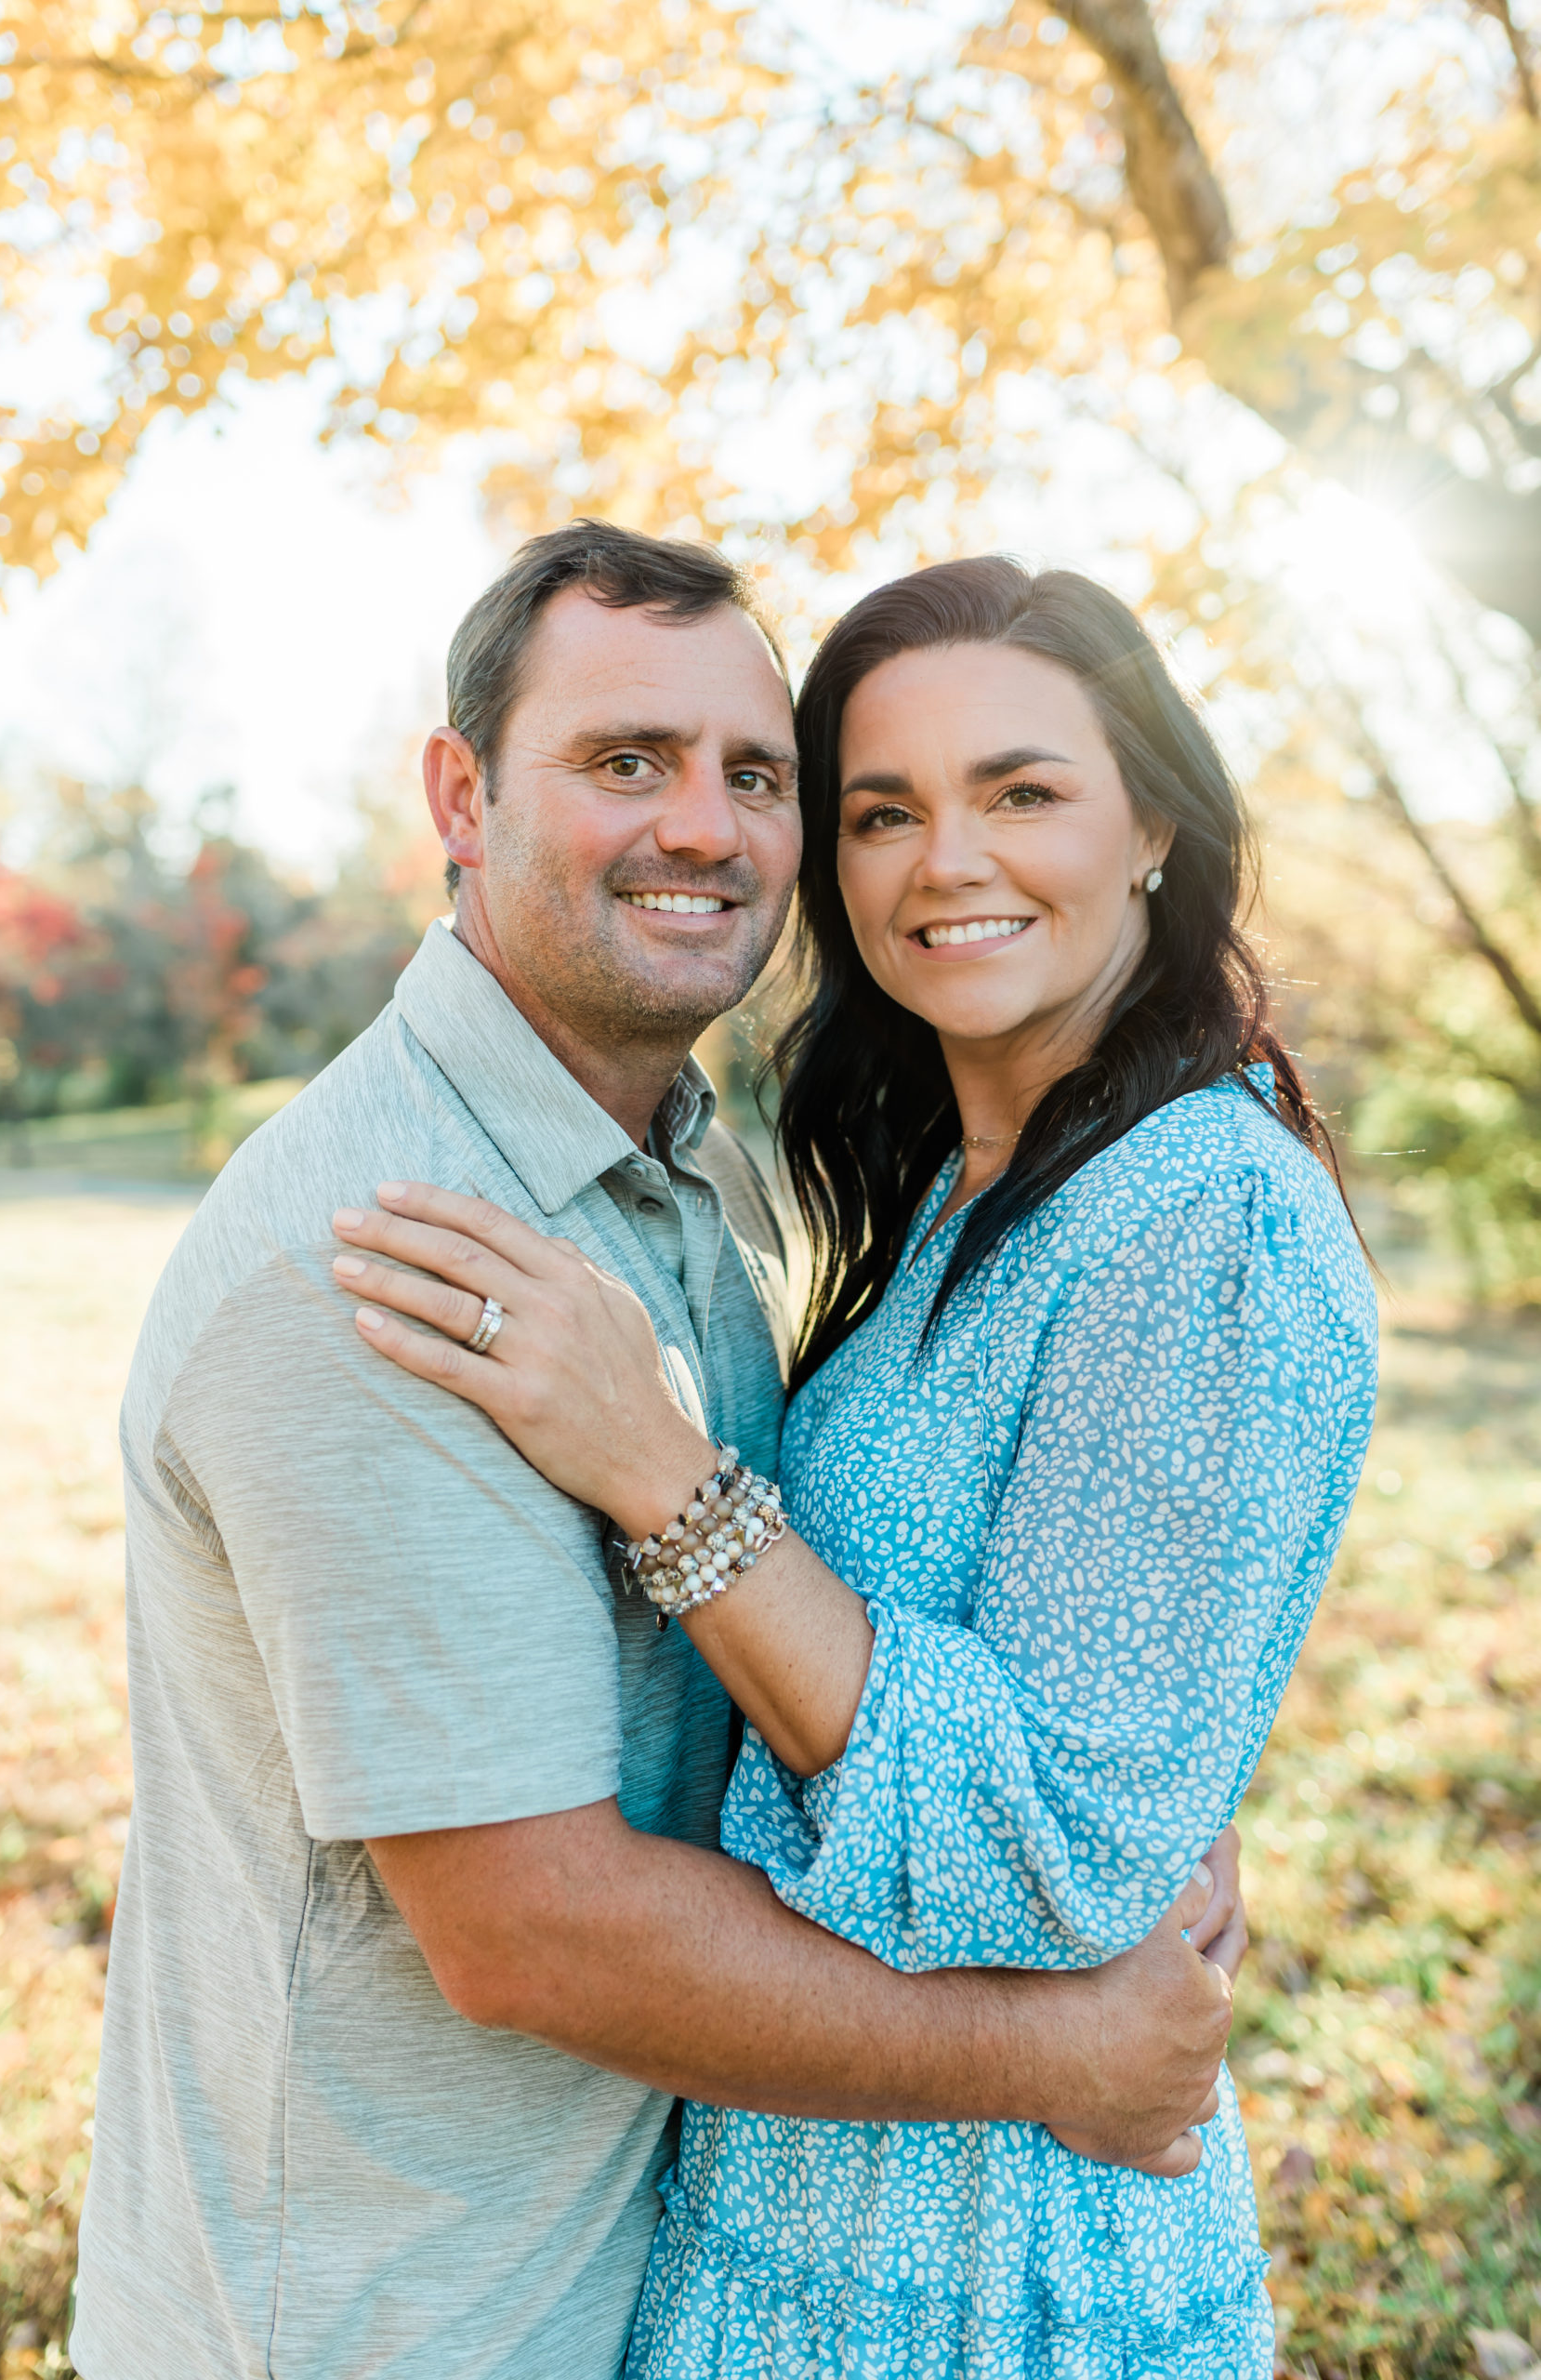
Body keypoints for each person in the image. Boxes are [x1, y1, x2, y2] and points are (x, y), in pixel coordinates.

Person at [71, 527, 1238, 2380]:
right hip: (394, 2314)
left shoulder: (691, 1172)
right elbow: (533, 1932)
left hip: (630, 2262)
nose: (703, 826)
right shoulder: (376, 1264)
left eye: (756, 775)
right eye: (626, 760)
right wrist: (1060, 2048)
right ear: (461, 797)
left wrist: (1128, 1762)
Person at [331, 554, 1376, 2378]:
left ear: (1153, 825)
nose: (944, 862)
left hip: (990, 2257)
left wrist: (658, 1469)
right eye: (882, 811)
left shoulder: (1208, 1212)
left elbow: (1054, 1856)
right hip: (802, 2181)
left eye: (1020, 792)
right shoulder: (972, 1190)